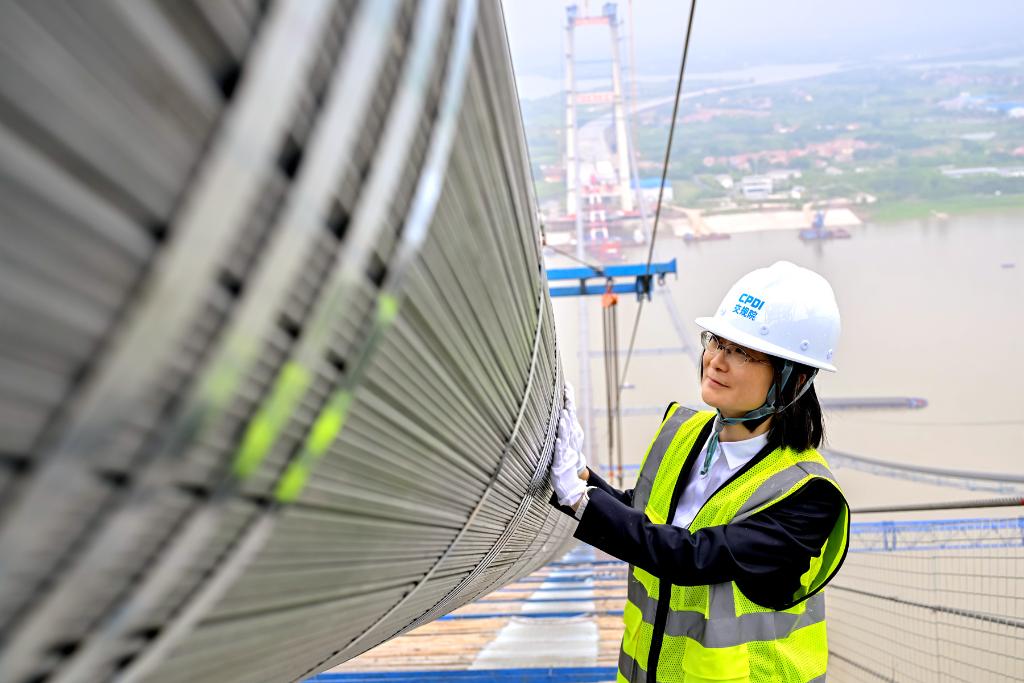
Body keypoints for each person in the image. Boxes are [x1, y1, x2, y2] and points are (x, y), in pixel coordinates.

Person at [550, 261, 850, 683]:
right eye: (717, 342)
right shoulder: (685, 435)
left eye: (742, 352)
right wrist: (578, 476)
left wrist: (581, 502)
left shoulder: (807, 494)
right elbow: (645, 517)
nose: (716, 361)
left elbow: (693, 556)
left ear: (794, 378)